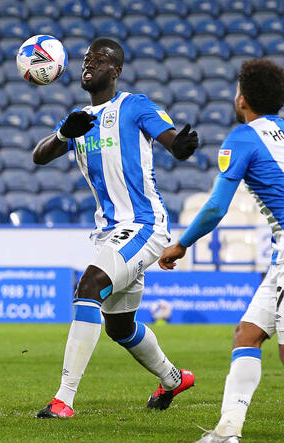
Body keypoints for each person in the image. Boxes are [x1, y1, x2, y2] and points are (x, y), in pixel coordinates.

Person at [31, 38, 200, 418]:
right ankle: (174, 378)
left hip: (143, 224)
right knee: (120, 327)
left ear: (116, 71)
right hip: (111, 232)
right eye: (87, 59)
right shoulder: (79, 119)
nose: (89, 64)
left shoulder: (133, 105)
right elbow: (39, 156)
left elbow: (171, 139)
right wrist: (63, 134)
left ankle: (63, 400)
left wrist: (181, 146)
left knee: (88, 286)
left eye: (100, 59)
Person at [160, 59, 284, 443]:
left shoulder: (242, 138)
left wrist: (181, 244)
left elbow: (215, 207)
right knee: (247, 335)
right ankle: (227, 432)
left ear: (242, 98)